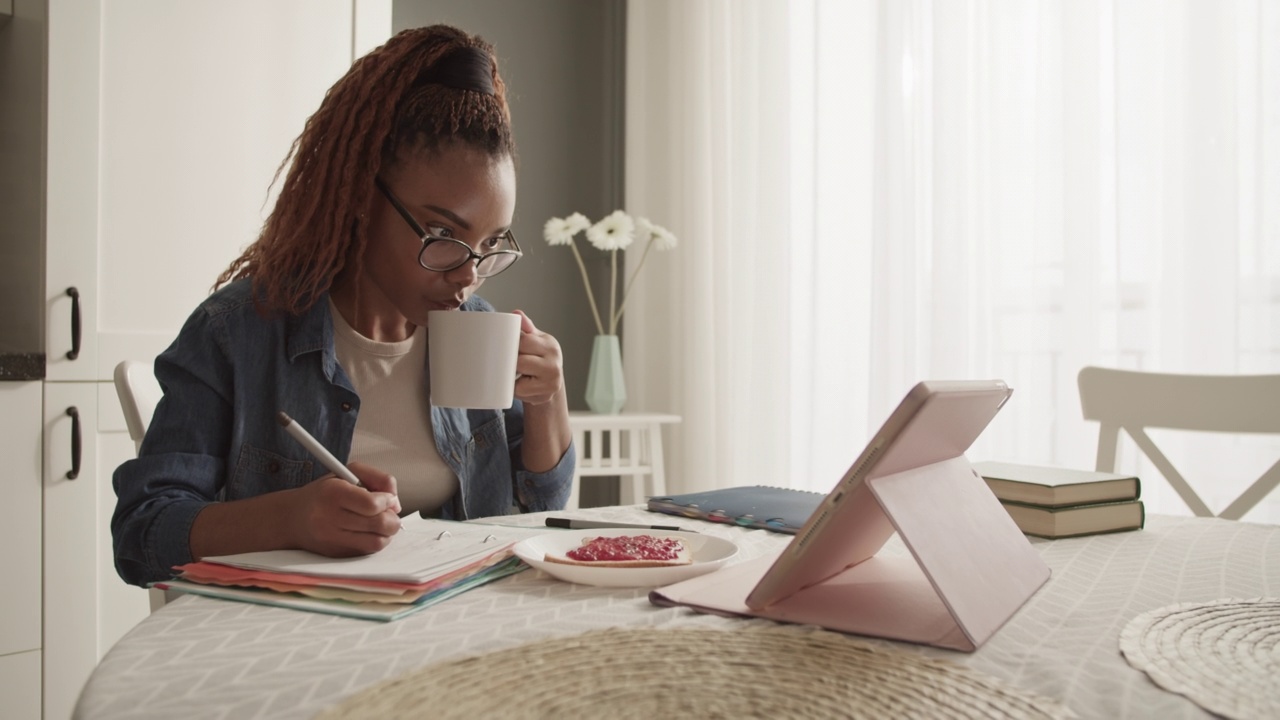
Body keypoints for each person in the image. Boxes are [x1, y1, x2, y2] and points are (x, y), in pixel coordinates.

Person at [112, 25, 574, 587]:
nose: (467, 274)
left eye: (488, 245)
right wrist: (287, 519)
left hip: (458, 634)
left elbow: (537, 520)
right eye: (440, 232)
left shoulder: (479, 332)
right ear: (360, 197)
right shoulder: (237, 334)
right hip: (294, 645)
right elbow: (140, 535)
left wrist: (550, 403)